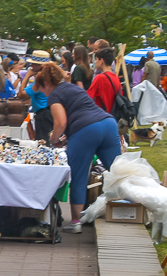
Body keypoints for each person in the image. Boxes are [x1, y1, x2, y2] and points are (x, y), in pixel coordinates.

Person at [35, 63, 122, 233]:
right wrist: (66, 137)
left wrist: (52, 139)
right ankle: (130, 208)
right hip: (108, 124)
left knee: (79, 175)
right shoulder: (75, 89)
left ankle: (76, 222)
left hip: (87, 131)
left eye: (41, 89)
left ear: (46, 84)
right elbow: (83, 111)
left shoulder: (54, 95)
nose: (43, 93)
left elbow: (61, 123)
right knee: (118, 173)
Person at [87, 47, 120, 113]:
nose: (95, 62)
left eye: (96, 59)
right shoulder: (116, 78)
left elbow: (87, 97)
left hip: (101, 115)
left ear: (101, 61)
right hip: (114, 116)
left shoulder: (100, 78)